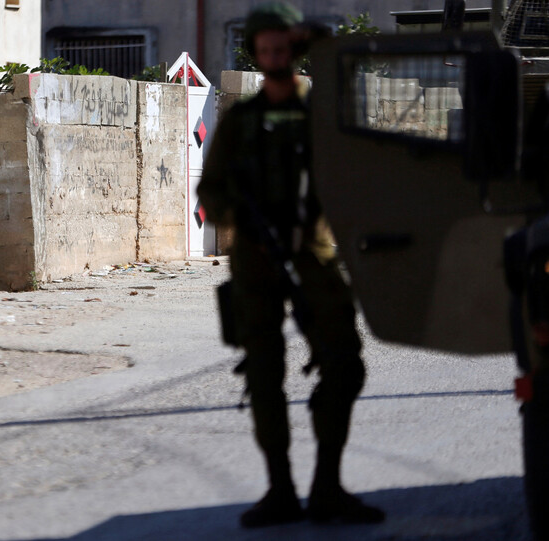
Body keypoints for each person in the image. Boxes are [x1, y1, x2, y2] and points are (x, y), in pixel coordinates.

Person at [197, 2, 384, 528]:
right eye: (266, 50)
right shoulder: (242, 121)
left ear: (295, 49)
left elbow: (356, 175)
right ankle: (280, 489)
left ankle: (327, 486)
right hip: (256, 260)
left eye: (284, 48)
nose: (275, 58)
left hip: (317, 255)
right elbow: (210, 189)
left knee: (344, 362)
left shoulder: (324, 112)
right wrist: (244, 222)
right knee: (263, 373)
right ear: (255, 55)